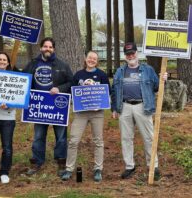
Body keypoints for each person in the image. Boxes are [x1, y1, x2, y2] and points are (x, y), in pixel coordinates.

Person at [111, 42, 167, 180]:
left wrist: (163, 80)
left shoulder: (148, 70)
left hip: (143, 106)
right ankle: (130, 166)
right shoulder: (119, 71)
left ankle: (153, 165)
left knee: (149, 137)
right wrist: (114, 108)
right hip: (124, 107)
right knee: (126, 138)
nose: (131, 56)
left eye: (133, 53)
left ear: (137, 53)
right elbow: (114, 91)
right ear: (125, 56)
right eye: (128, 54)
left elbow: (156, 86)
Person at [23, 37, 73, 176]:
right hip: (39, 107)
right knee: (38, 136)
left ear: (54, 49)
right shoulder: (33, 64)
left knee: (61, 136)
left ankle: (61, 162)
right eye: (45, 46)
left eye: (50, 47)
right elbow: (22, 79)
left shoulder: (62, 65)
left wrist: (60, 88)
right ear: (40, 48)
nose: (48, 49)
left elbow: (71, 82)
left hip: (58, 107)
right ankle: (37, 162)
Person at [61, 51, 110, 182]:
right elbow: (72, 92)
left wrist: (99, 102)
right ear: (85, 59)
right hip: (81, 113)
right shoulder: (78, 75)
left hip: (97, 113)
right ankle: (69, 169)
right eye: (90, 58)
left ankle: (98, 169)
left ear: (97, 61)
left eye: (94, 59)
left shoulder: (102, 75)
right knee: (73, 140)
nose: (92, 60)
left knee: (98, 141)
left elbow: (107, 93)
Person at [0, 52, 16, 184]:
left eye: (4, 60)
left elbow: (18, 98)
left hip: (8, 118)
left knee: (7, 147)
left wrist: (8, 106)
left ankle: (4, 172)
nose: (2, 61)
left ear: (8, 63)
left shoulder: (14, 78)